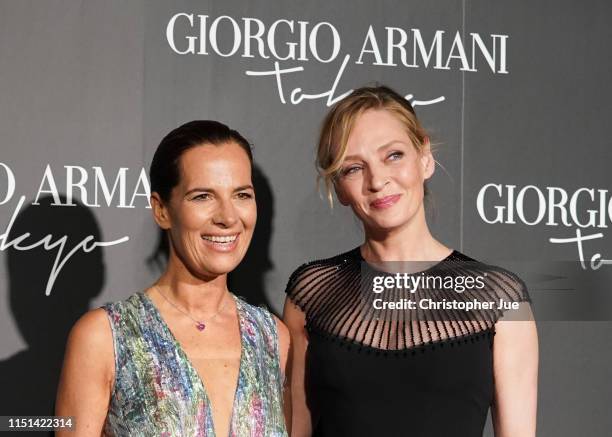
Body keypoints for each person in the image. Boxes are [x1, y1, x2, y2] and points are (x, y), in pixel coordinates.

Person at [283, 86, 538, 437]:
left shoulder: (498, 298)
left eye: (393, 156)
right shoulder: (312, 293)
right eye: (354, 168)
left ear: (425, 158)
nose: (377, 180)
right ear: (340, 188)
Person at [56, 120, 290, 436]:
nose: (228, 217)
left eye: (241, 195)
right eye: (203, 196)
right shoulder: (104, 337)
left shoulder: (273, 338)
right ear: (162, 210)